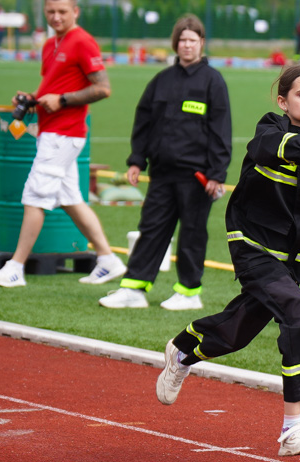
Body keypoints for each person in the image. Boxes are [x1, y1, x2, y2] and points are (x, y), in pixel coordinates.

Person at [154, 61, 300, 457]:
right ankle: (292, 428)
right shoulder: (271, 128)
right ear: (283, 100)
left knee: (239, 329)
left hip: (295, 257)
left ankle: (184, 349)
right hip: (252, 243)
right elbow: (270, 149)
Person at [98, 15, 232, 311]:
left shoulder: (213, 81)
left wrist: (217, 173)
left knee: (191, 234)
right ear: (176, 44)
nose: (186, 45)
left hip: (196, 176)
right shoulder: (161, 80)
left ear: (201, 43)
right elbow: (143, 123)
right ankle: (134, 288)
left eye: (192, 40)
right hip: (161, 173)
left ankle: (188, 292)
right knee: (152, 229)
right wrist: (136, 161)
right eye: (182, 40)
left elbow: (222, 130)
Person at [0, 0, 125, 289]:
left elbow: (103, 88)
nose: (56, 17)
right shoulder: (50, 43)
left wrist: (63, 100)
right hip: (52, 131)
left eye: (62, 12)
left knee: (33, 196)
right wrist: (32, 97)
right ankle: (108, 259)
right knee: (70, 200)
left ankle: (15, 267)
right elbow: (51, 86)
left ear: (76, 12)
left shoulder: (83, 41)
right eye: (51, 12)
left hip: (64, 134)